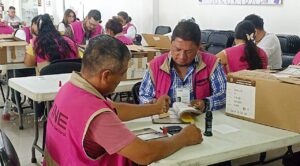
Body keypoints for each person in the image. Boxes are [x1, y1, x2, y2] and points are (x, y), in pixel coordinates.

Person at [44, 35, 203, 165]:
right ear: (106, 75)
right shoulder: (97, 116)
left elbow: (114, 110)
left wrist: (155, 108)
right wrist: (183, 138)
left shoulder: (70, 89)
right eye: (122, 73)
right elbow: (145, 154)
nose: (122, 79)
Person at [139, 20, 227, 112]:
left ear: (198, 47)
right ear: (171, 44)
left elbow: (223, 94)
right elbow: (144, 95)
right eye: (177, 49)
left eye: (189, 51)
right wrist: (153, 103)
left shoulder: (212, 63)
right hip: (165, 120)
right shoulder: (155, 66)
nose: (182, 57)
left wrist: (206, 103)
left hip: (200, 120)